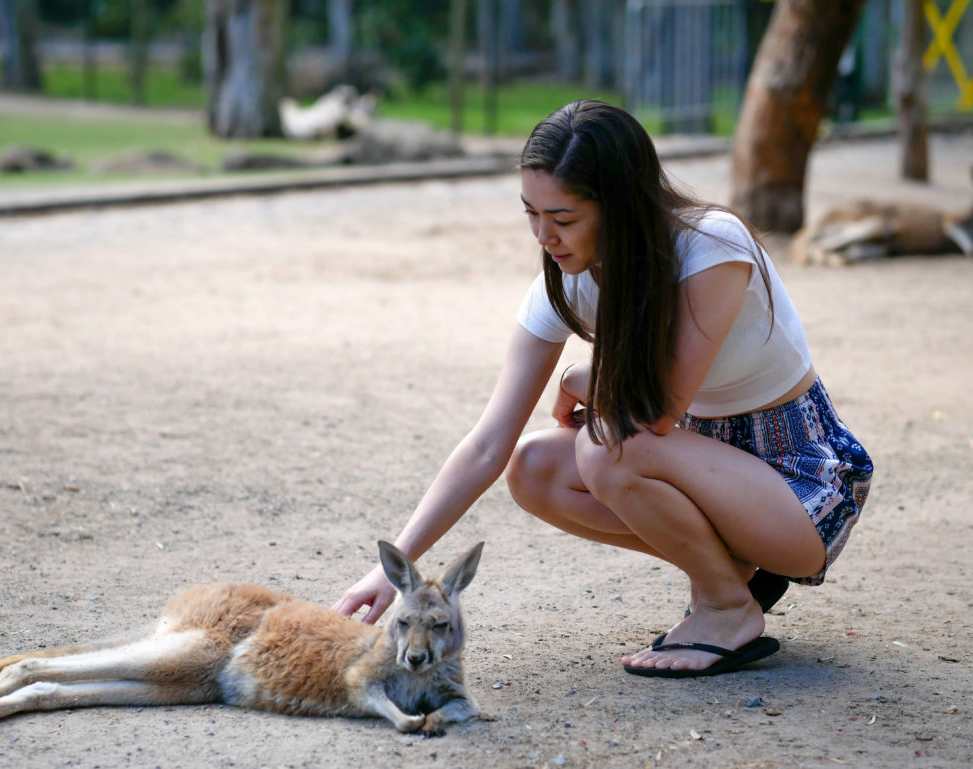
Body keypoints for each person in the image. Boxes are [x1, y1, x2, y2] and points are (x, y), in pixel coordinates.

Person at [333, 100, 873, 678]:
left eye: (562, 219)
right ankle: (730, 570)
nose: (544, 237)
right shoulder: (570, 279)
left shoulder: (710, 245)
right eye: (532, 214)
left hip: (799, 484)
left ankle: (726, 608)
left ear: (618, 205)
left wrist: (579, 377)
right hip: (708, 471)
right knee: (532, 464)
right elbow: (487, 443)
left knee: (607, 442)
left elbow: (660, 411)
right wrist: (394, 569)